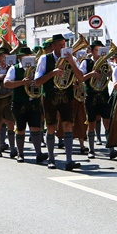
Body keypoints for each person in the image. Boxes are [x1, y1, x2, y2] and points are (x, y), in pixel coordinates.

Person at [32, 34, 80, 171]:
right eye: (59, 45)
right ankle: (51, 159)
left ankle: (69, 160)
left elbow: (81, 78)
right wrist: (53, 73)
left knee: (68, 125)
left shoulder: (72, 58)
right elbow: (37, 81)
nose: (62, 47)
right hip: (50, 96)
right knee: (51, 126)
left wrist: (72, 63)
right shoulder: (44, 59)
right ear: (53, 46)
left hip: (66, 95)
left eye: (64, 45)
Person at [4, 46, 46, 164]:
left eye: (29, 56)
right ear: (20, 58)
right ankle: (20, 154)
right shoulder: (14, 68)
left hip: (33, 101)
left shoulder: (36, 69)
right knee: (20, 129)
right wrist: (22, 82)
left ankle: (39, 154)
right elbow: (6, 83)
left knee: (36, 127)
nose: (27, 58)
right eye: (24, 56)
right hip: (19, 102)